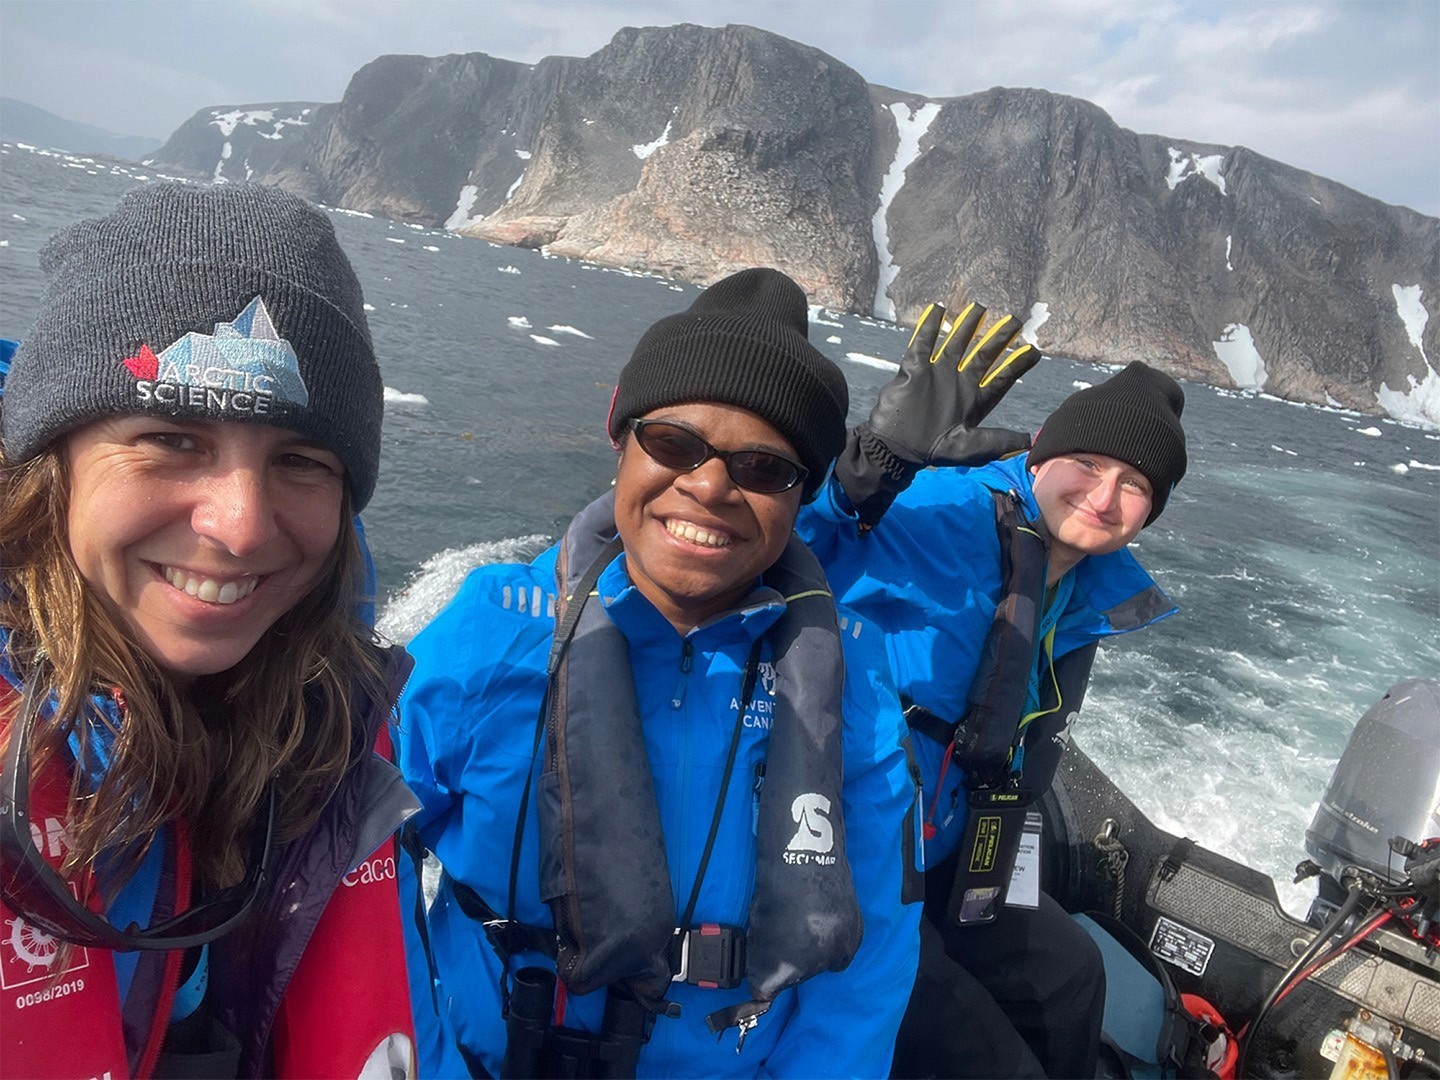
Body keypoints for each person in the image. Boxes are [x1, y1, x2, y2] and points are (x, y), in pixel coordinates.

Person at [398, 268, 927, 1078]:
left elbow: (876, 950)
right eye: (674, 444)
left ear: (800, 499)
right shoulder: (489, 633)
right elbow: (360, 860)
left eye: (764, 469)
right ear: (621, 437)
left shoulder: (852, 678)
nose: (710, 485)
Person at [0, 183, 417, 1078]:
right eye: (172, 440)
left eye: (300, 461)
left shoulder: (320, 730)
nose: (240, 525)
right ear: (53, 460)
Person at [796, 303, 1187, 1078]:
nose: (1104, 500)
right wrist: (865, 470)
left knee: (1074, 974)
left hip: (958, 845)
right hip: (853, 848)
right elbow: (792, 547)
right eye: (1089, 466)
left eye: (1134, 485)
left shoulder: (1092, 586)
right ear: (1039, 457)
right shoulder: (948, 511)